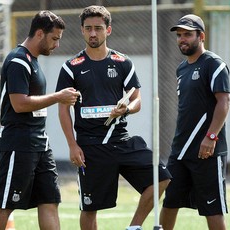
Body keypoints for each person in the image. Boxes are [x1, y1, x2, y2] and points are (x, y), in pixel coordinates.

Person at [55, 5, 171, 230]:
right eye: (88, 28)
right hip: (90, 146)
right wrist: (72, 145)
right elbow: (63, 109)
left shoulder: (122, 62)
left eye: (98, 28)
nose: (93, 33)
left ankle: (134, 227)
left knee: (162, 177)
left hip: (121, 140)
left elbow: (137, 100)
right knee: (89, 208)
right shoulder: (70, 67)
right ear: (81, 31)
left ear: (108, 30)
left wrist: (125, 108)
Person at [0, 11, 80, 230]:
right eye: (54, 38)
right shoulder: (18, 60)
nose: (56, 45)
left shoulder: (33, 61)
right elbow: (19, 104)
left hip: (39, 142)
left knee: (50, 200)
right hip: (19, 141)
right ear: (39, 33)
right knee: (4, 204)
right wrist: (58, 97)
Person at [159, 14, 230, 230]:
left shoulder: (214, 64)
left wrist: (211, 137)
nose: (182, 39)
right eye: (179, 35)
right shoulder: (181, 68)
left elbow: (224, 101)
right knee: (170, 202)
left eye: (188, 35)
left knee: (213, 209)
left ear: (201, 36)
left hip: (207, 151)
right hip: (180, 151)